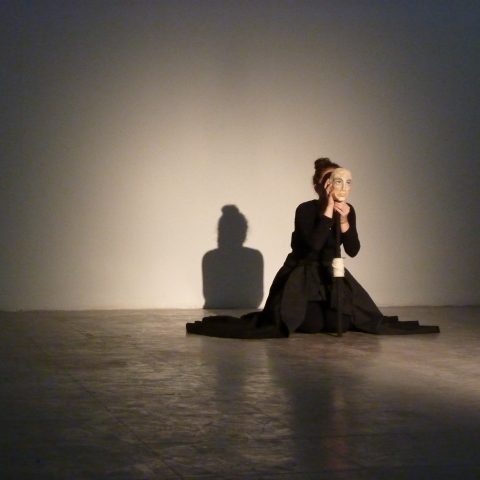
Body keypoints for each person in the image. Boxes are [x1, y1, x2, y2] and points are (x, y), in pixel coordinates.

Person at [186, 158, 440, 338]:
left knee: (342, 322)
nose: (335, 186)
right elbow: (313, 246)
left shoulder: (347, 210)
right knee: (311, 325)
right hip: (301, 275)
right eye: (329, 181)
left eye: (339, 181)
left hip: (330, 275)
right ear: (318, 185)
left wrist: (344, 220)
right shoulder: (305, 210)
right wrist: (328, 211)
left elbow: (353, 250)